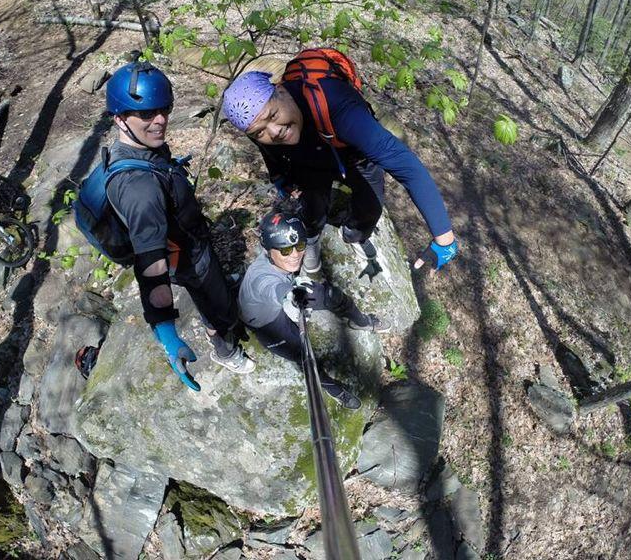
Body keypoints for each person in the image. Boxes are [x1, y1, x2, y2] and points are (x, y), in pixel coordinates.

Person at [221, 62, 458, 275]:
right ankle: (312, 238)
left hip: (356, 159)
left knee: (369, 210)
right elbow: (269, 151)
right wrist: (281, 179)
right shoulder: (255, 125)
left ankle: (354, 234)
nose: (274, 132)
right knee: (312, 208)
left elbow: (406, 165)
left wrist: (444, 238)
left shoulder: (336, 105)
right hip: (310, 160)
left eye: (273, 115)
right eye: (259, 132)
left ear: (281, 91)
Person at [104, 61, 253, 391]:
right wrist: (168, 333)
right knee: (219, 308)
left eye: (164, 109)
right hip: (188, 259)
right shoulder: (139, 190)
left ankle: (220, 305)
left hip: (191, 241)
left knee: (215, 287)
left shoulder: (140, 148)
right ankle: (225, 349)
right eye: (146, 115)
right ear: (119, 118)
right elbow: (151, 264)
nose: (160, 121)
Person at [239, 211, 389, 409]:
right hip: (268, 323)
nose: (294, 255)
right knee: (304, 357)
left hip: (280, 300)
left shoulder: (276, 261)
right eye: (285, 251)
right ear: (268, 250)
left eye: (299, 246)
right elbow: (274, 289)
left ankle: (361, 321)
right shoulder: (262, 279)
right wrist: (292, 296)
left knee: (331, 296)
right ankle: (334, 390)